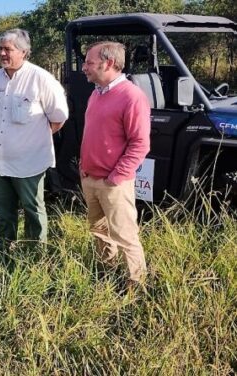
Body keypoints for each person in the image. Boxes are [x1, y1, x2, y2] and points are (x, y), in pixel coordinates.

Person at [0, 28, 68, 251]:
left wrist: (30, 140)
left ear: (23, 51)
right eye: (0, 48)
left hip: (29, 163)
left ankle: (35, 254)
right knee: (2, 209)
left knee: (32, 208)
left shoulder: (41, 79)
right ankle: (4, 249)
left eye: (7, 49)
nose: (2, 53)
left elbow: (58, 118)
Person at [80, 41, 150, 290]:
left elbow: (140, 144)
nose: (84, 67)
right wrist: (83, 165)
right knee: (99, 230)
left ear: (108, 63)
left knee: (124, 234)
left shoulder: (132, 96)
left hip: (113, 183)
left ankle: (136, 283)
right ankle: (106, 271)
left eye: (89, 62)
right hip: (90, 177)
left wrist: (116, 176)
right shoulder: (96, 93)